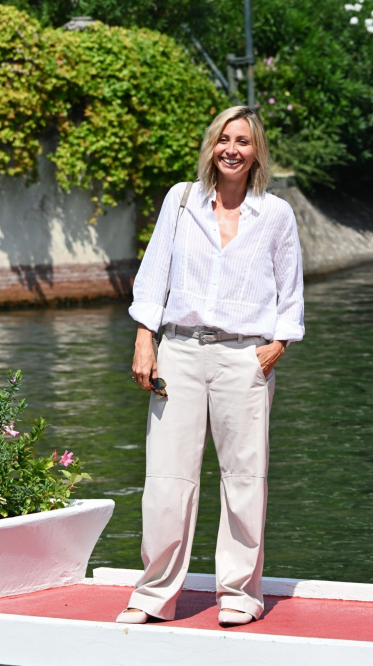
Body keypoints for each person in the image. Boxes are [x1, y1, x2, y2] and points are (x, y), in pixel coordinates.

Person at [116, 106, 304, 626]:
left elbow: (291, 291)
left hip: (246, 357)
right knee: (166, 478)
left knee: (244, 477)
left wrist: (278, 345)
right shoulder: (180, 202)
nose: (232, 149)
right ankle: (153, 595)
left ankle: (240, 595)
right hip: (177, 351)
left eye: (243, 140)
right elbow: (154, 276)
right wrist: (143, 340)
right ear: (210, 146)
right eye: (224, 139)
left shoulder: (277, 215)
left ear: (256, 151)